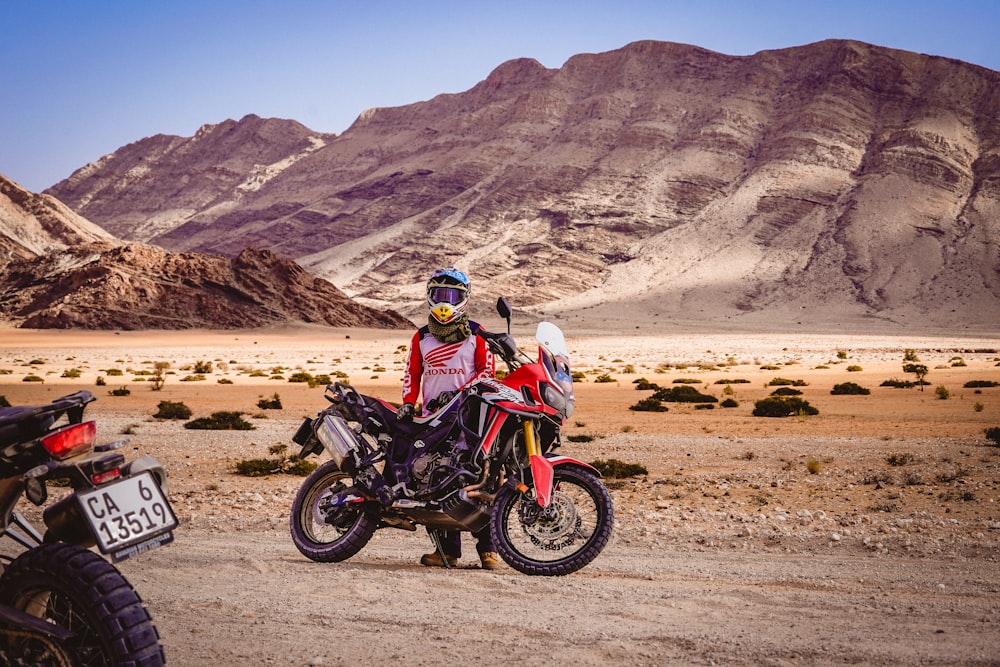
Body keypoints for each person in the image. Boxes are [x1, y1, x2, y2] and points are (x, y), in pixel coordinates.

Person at [398, 267, 500, 571]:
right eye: (440, 295)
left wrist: (461, 394)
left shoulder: (477, 335)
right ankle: (448, 552)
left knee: (477, 479)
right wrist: (407, 403)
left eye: (452, 296)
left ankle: (488, 550)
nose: (445, 302)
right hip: (432, 420)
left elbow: (487, 374)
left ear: (464, 299)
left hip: (469, 420)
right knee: (438, 481)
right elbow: (412, 373)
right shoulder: (422, 337)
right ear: (429, 297)